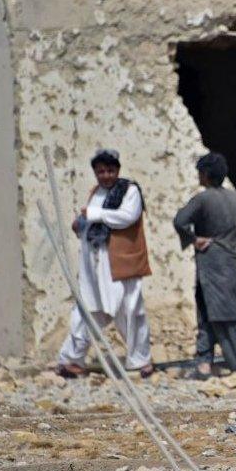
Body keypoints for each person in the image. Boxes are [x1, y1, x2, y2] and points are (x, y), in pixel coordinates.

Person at [173, 152, 236, 378]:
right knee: (215, 313)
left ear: (206, 175)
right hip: (235, 263)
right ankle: (205, 364)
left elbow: (180, 220)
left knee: (220, 316)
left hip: (213, 265)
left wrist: (193, 239)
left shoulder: (203, 199)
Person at [57, 148, 154, 379]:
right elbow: (89, 222)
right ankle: (72, 359)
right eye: (101, 171)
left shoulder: (129, 191)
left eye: (110, 170)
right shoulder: (95, 192)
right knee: (87, 311)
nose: (106, 175)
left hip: (121, 264)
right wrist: (80, 224)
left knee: (130, 310)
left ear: (117, 170)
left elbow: (126, 217)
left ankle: (140, 360)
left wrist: (95, 214)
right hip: (94, 264)